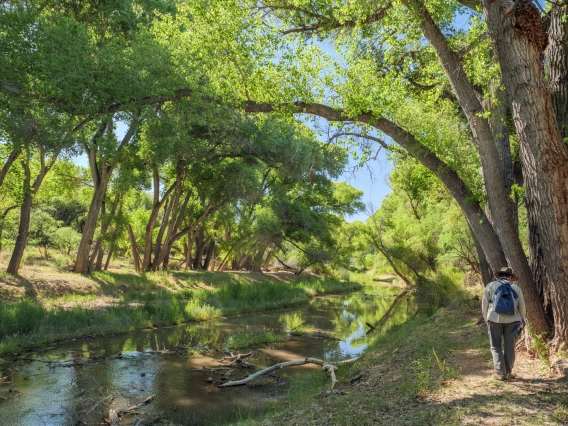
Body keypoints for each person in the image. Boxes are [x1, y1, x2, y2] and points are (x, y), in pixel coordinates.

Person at [481, 266, 526, 380]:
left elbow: (484, 305)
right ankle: (509, 372)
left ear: (499, 276)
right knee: (509, 347)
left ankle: (500, 373)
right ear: (510, 277)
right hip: (512, 321)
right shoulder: (516, 288)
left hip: (494, 319)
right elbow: (522, 307)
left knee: (495, 346)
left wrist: (486, 318)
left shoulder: (490, 286)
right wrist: (522, 320)